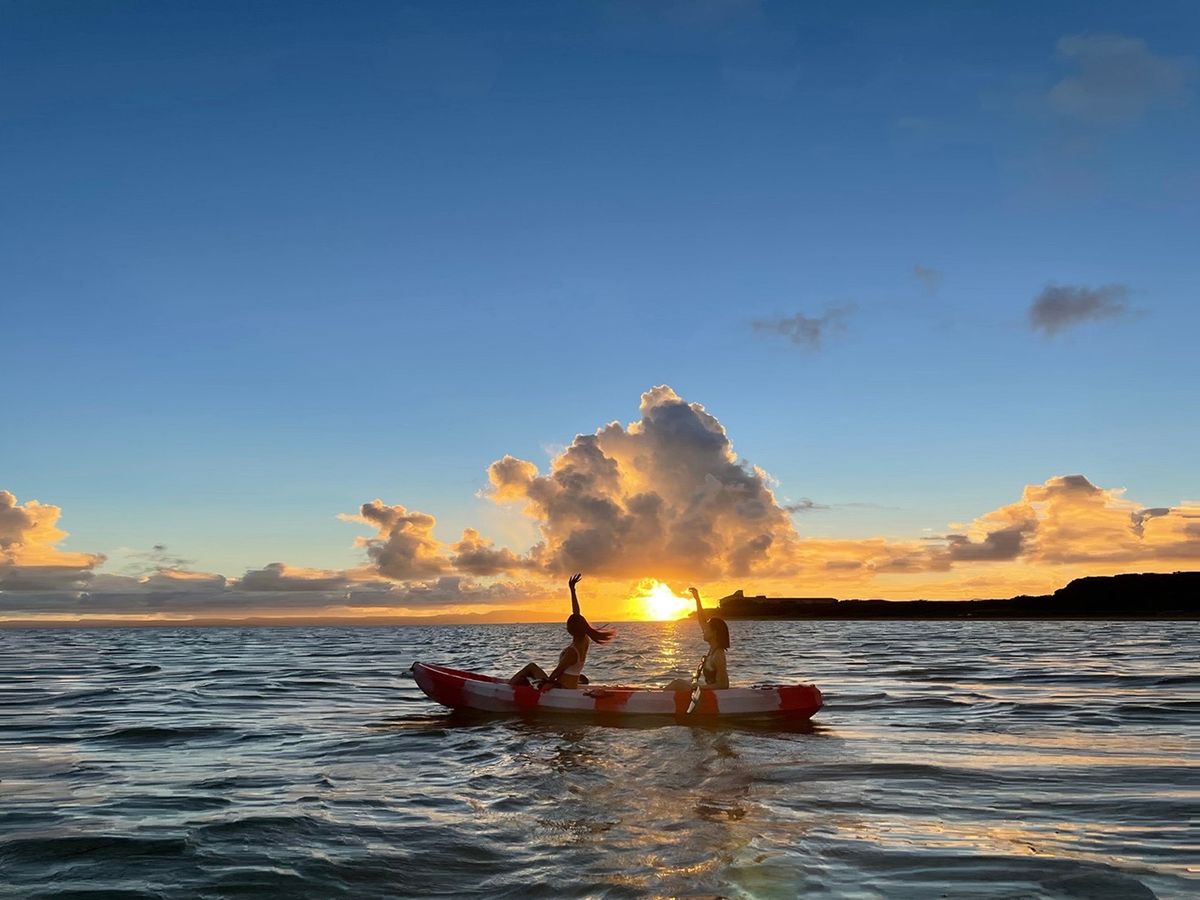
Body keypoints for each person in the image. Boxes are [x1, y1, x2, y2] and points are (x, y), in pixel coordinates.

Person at [511, 573, 615, 691]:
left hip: (562, 689)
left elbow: (557, 672)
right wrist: (572, 590)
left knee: (531, 667)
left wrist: (546, 685)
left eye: (568, 624)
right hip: (568, 686)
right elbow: (577, 614)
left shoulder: (572, 650)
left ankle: (506, 689)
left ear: (572, 630)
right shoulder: (585, 640)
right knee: (531, 676)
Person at [665, 587, 730, 691]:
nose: (703, 630)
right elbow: (702, 620)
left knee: (677, 683)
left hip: (713, 695)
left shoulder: (719, 654)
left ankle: (656, 701)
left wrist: (701, 687)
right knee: (676, 684)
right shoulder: (712, 651)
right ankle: (659, 695)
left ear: (714, 632)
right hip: (707, 691)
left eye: (706, 629)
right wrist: (697, 599)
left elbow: (723, 685)